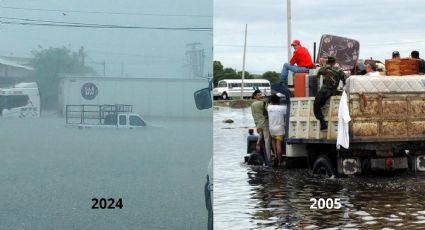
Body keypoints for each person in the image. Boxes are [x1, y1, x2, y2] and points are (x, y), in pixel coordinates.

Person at [314, 56, 346, 130]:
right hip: (333, 91)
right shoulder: (339, 70)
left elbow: (317, 75)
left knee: (316, 105)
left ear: (327, 61)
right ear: (335, 61)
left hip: (324, 91)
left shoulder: (324, 68)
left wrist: (323, 65)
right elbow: (345, 80)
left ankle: (322, 122)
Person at [251, 89, 272, 162]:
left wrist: (256, 124)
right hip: (265, 123)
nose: (260, 96)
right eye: (259, 95)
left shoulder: (252, 104)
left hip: (258, 123)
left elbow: (254, 115)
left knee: (261, 137)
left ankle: (257, 145)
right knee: (267, 141)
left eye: (261, 94)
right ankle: (269, 159)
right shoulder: (263, 103)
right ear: (255, 96)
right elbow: (268, 111)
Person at [267, 94, 286, 167]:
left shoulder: (269, 108)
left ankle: (275, 155)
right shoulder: (282, 108)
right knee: (279, 144)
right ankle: (279, 161)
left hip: (271, 129)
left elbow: (268, 104)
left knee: (273, 141)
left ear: (271, 101)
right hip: (279, 129)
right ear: (279, 101)